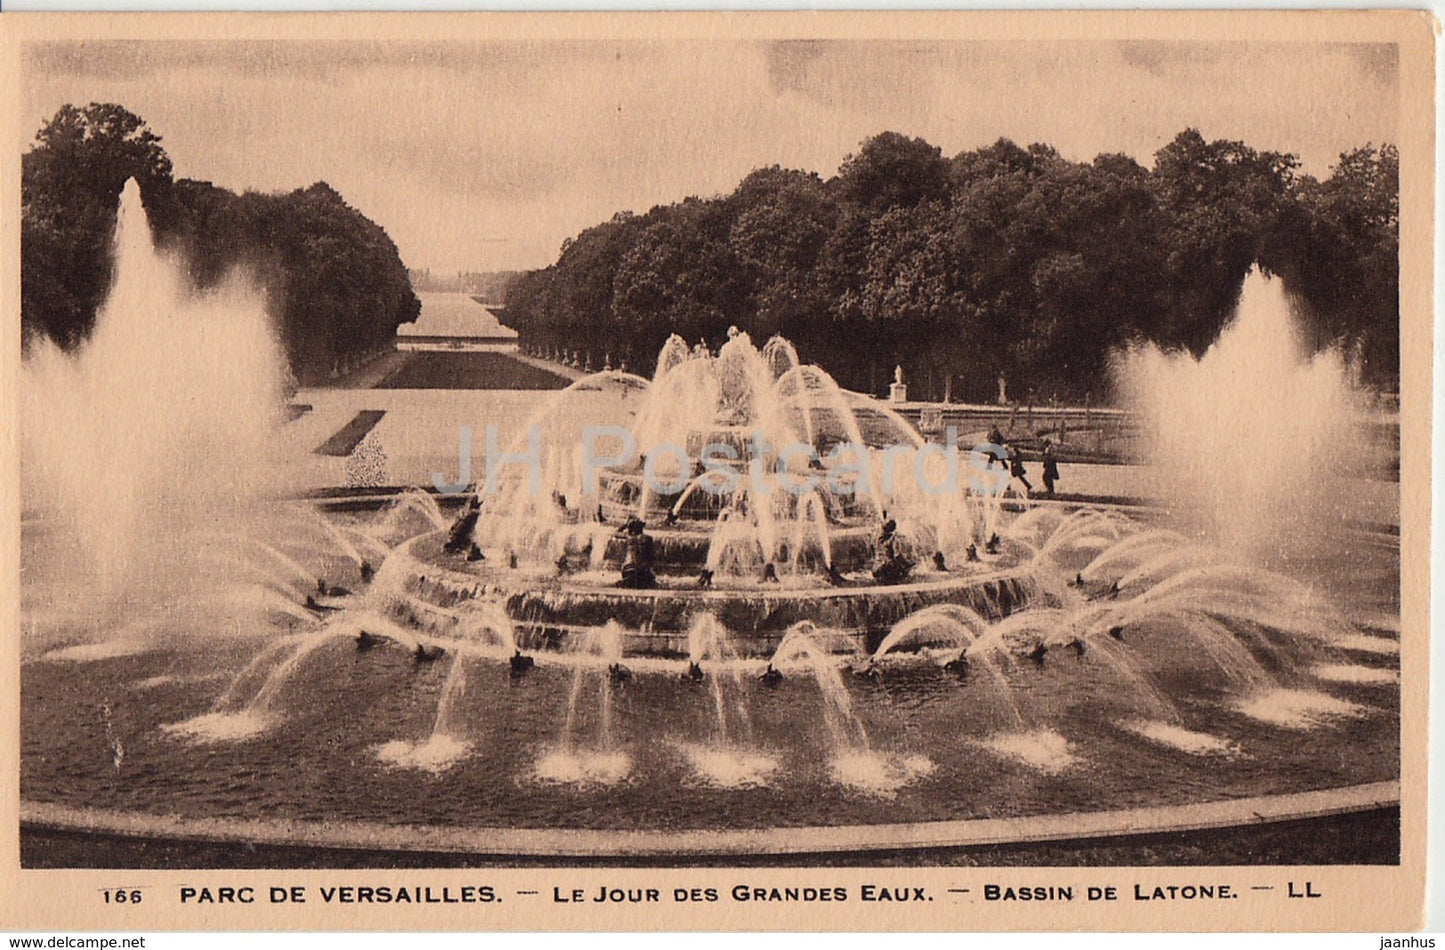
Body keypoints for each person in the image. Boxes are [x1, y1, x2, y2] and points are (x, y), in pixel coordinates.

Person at [618, 517, 657, 589]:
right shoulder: (648, 538)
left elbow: (616, 533)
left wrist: (625, 525)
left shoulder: (628, 537)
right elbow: (651, 557)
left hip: (627, 569)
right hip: (642, 570)